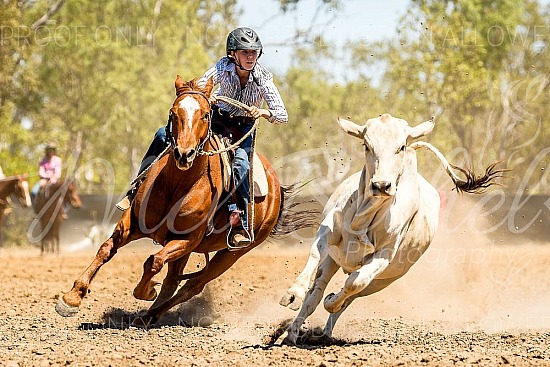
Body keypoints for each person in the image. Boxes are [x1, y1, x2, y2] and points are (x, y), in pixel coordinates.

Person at [116, 27, 288, 248]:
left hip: (242, 129)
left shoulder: (263, 78)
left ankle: (240, 223)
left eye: (253, 52)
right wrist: (205, 96)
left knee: (241, 165)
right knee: (161, 134)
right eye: (244, 52)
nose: (250, 57)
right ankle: (135, 190)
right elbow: (201, 84)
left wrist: (263, 112)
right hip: (216, 120)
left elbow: (282, 115)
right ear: (232, 54)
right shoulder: (221, 67)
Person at [31, 143, 64, 217]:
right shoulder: (42, 160)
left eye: (52, 150)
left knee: (64, 191)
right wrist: (47, 177)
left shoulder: (58, 160)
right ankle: (36, 210)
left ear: (54, 151)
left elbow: (58, 172)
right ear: (46, 151)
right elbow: (41, 172)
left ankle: (63, 210)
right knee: (34, 191)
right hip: (44, 180)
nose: (50, 152)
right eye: (49, 150)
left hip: (54, 180)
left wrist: (53, 177)